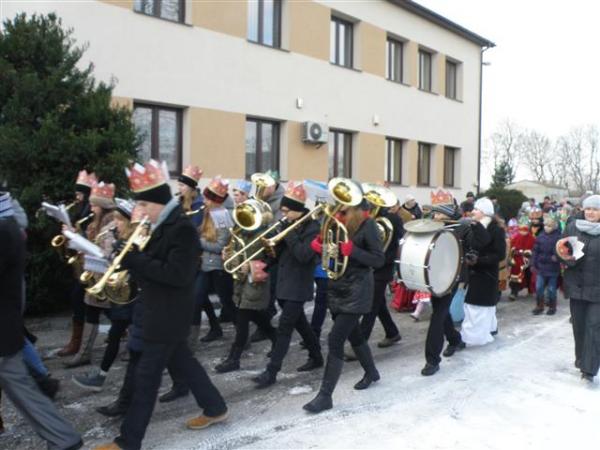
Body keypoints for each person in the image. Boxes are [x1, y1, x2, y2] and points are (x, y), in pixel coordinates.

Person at [93, 160, 228, 450]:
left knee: (146, 381)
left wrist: (135, 259)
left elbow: (177, 275)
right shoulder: (161, 225)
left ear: (157, 203)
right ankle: (215, 407)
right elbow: (152, 266)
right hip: (158, 310)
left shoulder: (181, 229)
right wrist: (126, 257)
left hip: (168, 315)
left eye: (143, 204)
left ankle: (128, 442)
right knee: (185, 365)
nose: (139, 210)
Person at [0, 191, 83, 449]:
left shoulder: (4, 230)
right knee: (23, 388)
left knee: (23, 389)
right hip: (6, 328)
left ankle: (64, 438)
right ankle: (64, 438)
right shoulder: (8, 224)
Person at [303, 198, 384, 413]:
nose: (340, 210)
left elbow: (378, 260)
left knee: (335, 339)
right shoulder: (338, 223)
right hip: (337, 287)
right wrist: (320, 247)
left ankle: (325, 396)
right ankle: (372, 372)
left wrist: (354, 251)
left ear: (355, 208)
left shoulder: (368, 225)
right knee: (354, 335)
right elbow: (333, 252)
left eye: (345, 208)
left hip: (358, 289)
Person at [252, 182, 323, 389]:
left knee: (284, 328)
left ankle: (271, 371)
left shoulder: (313, 228)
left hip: (299, 284)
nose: (283, 215)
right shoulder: (287, 224)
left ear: (297, 210)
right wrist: (268, 254)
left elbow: (304, 255)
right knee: (302, 325)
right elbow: (281, 255)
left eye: (286, 211)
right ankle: (316, 356)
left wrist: (288, 233)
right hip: (284, 283)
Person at [73, 199, 136, 391]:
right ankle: (100, 377)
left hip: (132, 295)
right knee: (115, 334)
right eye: (115, 219)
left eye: (119, 220)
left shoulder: (134, 239)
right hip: (121, 296)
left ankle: (177, 375)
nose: (115, 223)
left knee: (148, 343)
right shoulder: (114, 233)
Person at [65, 181, 117, 368]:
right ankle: (84, 353)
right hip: (95, 273)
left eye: (94, 205)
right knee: (94, 310)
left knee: (117, 314)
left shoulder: (111, 224)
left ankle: (85, 353)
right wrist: (75, 238)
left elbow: (108, 252)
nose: (91, 208)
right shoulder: (95, 223)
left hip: (105, 276)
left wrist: (86, 245)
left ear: (102, 207)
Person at [420, 192, 470, 376]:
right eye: (434, 212)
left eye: (439, 213)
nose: (435, 215)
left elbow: (469, 250)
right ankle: (455, 340)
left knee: (437, 316)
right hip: (435, 276)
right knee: (440, 312)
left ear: (448, 214)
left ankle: (432, 360)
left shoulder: (461, 228)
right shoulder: (433, 227)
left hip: (451, 277)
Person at [556, 194, 600, 382]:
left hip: (598, 290)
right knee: (579, 328)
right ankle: (582, 360)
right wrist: (565, 257)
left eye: (595, 209)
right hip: (576, 286)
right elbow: (562, 250)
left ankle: (589, 370)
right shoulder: (573, 227)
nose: (591, 212)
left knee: (594, 328)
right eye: (588, 208)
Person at [58, 170, 98, 358]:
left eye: (80, 194)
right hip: (82, 263)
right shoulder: (81, 211)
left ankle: (78, 345)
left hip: (91, 265)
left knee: (84, 300)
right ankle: (79, 344)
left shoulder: (93, 214)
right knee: (83, 300)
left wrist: (75, 233)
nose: (77, 197)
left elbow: (93, 239)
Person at [357, 191, 402, 348]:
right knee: (379, 303)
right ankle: (392, 333)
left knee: (372, 305)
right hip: (370, 266)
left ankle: (359, 344)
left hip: (383, 266)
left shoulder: (392, 219)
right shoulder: (368, 219)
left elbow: (398, 242)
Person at [460, 197, 506, 347]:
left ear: (485, 212)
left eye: (476, 209)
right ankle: (490, 328)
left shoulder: (496, 229)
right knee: (483, 305)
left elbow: (500, 254)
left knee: (476, 305)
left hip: (486, 274)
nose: (473, 212)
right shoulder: (475, 226)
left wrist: (479, 260)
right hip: (475, 272)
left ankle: (470, 338)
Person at [531, 214, 561, 315]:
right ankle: (539, 305)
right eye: (545, 225)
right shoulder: (540, 236)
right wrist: (533, 263)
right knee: (539, 287)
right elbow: (535, 251)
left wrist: (557, 257)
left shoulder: (558, 237)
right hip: (541, 267)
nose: (546, 228)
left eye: (549, 226)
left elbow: (562, 251)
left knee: (551, 289)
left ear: (554, 227)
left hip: (553, 268)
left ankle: (552, 306)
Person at [508, 217, 535, 301]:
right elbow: (512, 247)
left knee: (528, 275)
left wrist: (529, 253)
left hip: (527, 261)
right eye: (521, 230)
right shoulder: (516, 237)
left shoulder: (532, 238)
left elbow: (534, 249)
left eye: (525, 230)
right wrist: (514, 252)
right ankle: (514, 292)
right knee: (515, 276)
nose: (523, 232)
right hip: (517, 260)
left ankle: (530, 290)